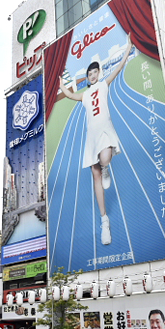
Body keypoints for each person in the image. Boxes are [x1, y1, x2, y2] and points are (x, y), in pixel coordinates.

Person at [59, 33, 133, 245]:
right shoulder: (84, 95)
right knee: (95, 175)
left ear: (99, 73)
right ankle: (104, 221)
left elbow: (118, 68)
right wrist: (60, 84)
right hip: (91, 135)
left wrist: (128, 48)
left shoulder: (103, 85)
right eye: (89, 74)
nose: (92, 76)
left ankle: (107, 168)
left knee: (106, 159)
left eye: (94, 72)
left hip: (105, 129)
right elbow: (69, 95)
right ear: (87, 76)